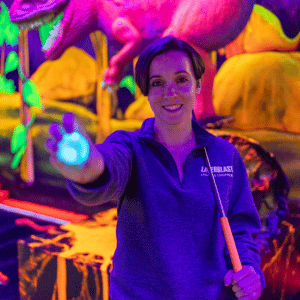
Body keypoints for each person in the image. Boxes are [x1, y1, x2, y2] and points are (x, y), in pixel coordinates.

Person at [46, 36, 266, 300]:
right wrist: (89, 168)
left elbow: (242, 230)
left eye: (181, 79)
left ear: (197, 84)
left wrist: (249, 272)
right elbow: (108, 165)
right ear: (147, 92)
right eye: (157, 83)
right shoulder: (130, 146)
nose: (170, 92)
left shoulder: (224, 155)